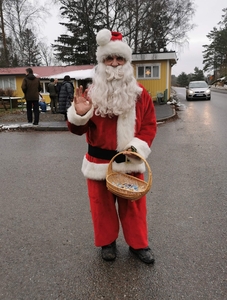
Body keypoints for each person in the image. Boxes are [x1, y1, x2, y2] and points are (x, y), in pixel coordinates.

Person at [67, 29, 157, 264]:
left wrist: (136, 150)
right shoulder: (91, 93)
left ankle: (138, 244)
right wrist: (79, 114)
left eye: (120, 59)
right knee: (101, 208)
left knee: (134, 208)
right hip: (98, 164)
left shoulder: (140, 94)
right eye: (109, 58)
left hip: (130, 162)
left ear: (127, 62)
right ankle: (107, 243)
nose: (114, 64)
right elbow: (78, 129)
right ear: (102, 62)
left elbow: (149, 126)